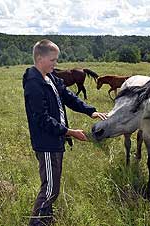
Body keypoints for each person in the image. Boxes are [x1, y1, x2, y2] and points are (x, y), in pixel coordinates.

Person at [22, 39, 107, 226]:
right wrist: (69, 132)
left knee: (51, 186)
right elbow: (41, 119)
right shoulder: (34, 84)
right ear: (39, 58)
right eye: (52, 60)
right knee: (51, 189)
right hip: (46, 143)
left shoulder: (50, 78)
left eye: (56, 59)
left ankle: (46, 220)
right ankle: (36, 223)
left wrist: (89, 110)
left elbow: (68, 96)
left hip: (56, 140)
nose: (55, 64)